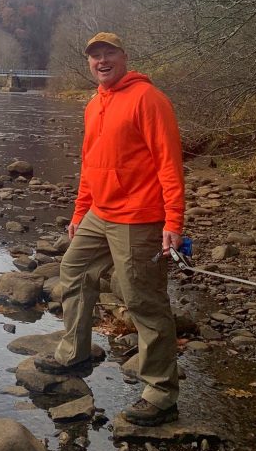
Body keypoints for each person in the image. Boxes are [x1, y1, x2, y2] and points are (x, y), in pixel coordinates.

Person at [35, 32, 185, 426]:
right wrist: (80, 211)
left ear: (124, 56)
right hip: (99, 214)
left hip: (138, 216)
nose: (101, 60)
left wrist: (174, 222)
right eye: (95, 55)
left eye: (109, 53)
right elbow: (90, 163)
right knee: (73, 270)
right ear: (89, 62)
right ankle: (74, 352)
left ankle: (161, 392)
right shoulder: (93, 104)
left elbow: (169, 163)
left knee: (143, 298)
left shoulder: (148, 99)